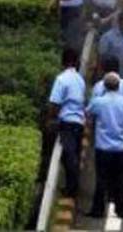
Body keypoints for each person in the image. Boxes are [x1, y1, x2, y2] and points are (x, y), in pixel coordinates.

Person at [86, 72, 123, 218]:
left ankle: (98, 210)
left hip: (102, 148)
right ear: (118, 86)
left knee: (101, 179)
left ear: (105, 86)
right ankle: (121, 210)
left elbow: (88, 114)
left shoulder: (99, 102)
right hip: (120, 148)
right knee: (120, 179)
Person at [47, 48, 85, 199]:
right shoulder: (80, 79)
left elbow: (55, 103)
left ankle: (71, 190)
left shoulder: (61, 79)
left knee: (69, 157)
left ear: (63, 61)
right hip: (79, 122)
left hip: (67, 122)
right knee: (74, 154)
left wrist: (50, 119)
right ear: (76, 61)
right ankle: (72, 187)